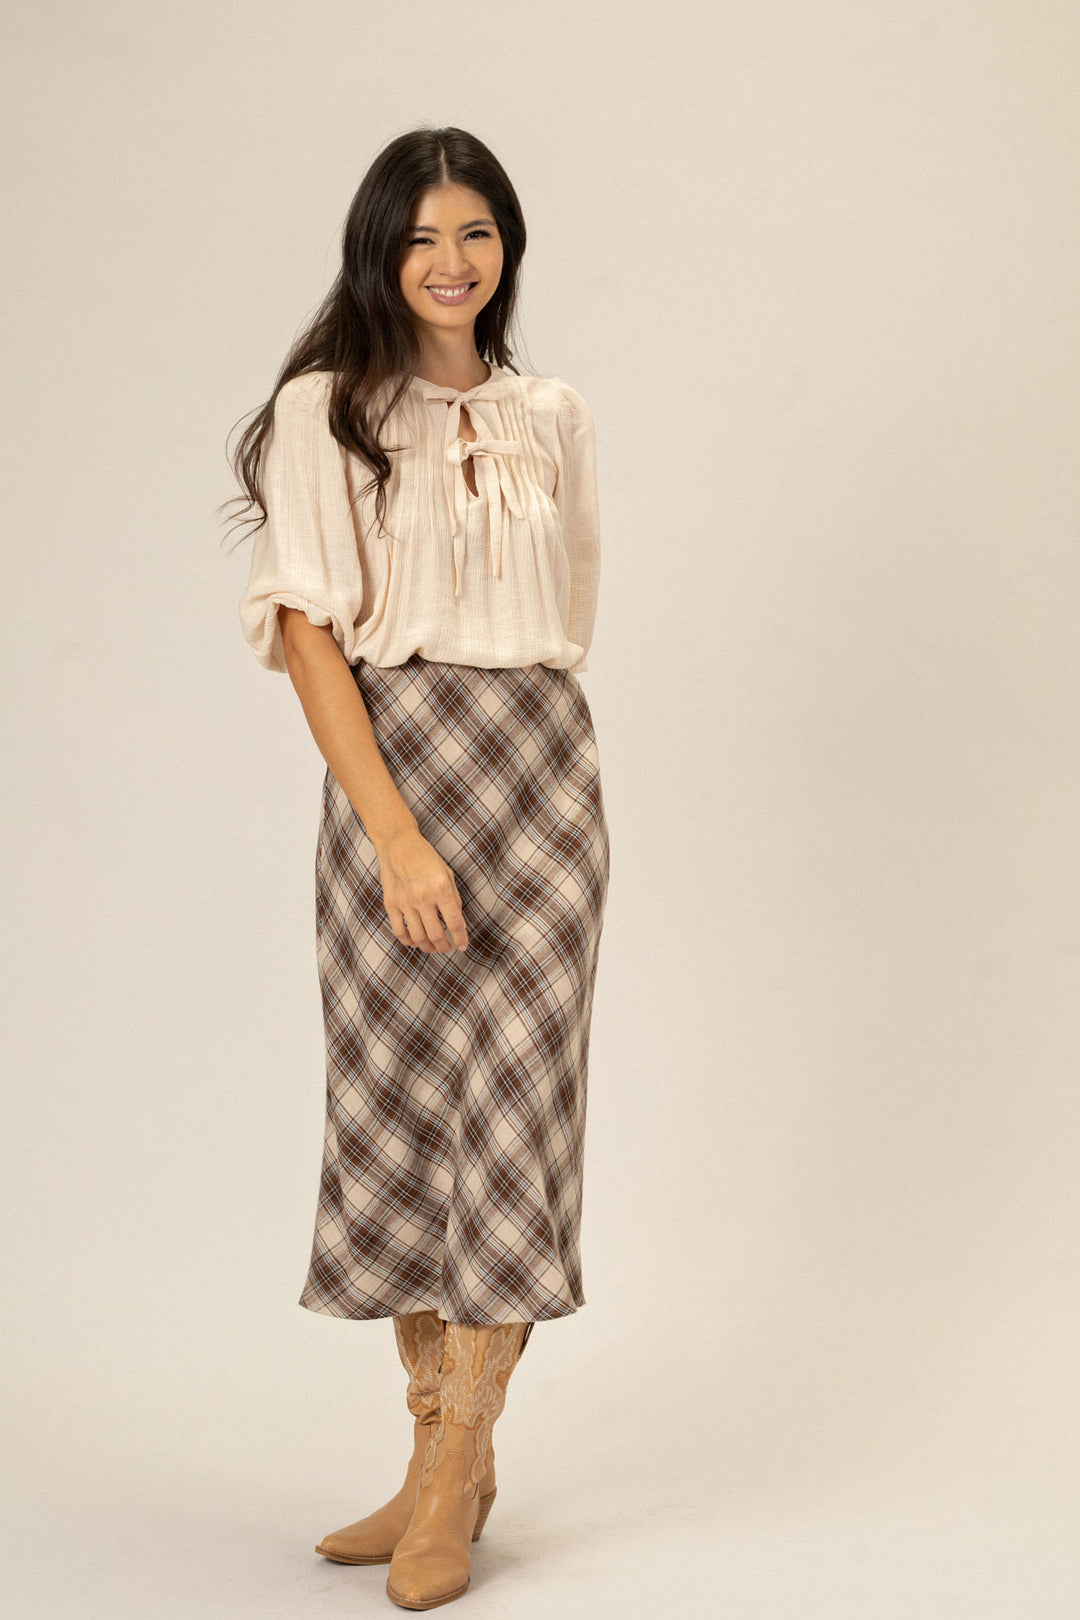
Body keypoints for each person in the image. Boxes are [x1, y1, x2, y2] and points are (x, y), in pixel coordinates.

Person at [227, 125, 610, 1610]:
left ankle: (458, 1471)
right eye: (421, 239)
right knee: (398, 1105)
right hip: (398, 766)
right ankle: (435, 1446)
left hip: (544, 768)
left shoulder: (557, 413)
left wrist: (523, 755)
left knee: (517, 1110)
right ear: (379, 250)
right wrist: (393, 830)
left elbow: (567, 609)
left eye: (479, 236)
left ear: (507, 250)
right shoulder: (328, 411)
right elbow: (308, 632)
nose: (451, 265)